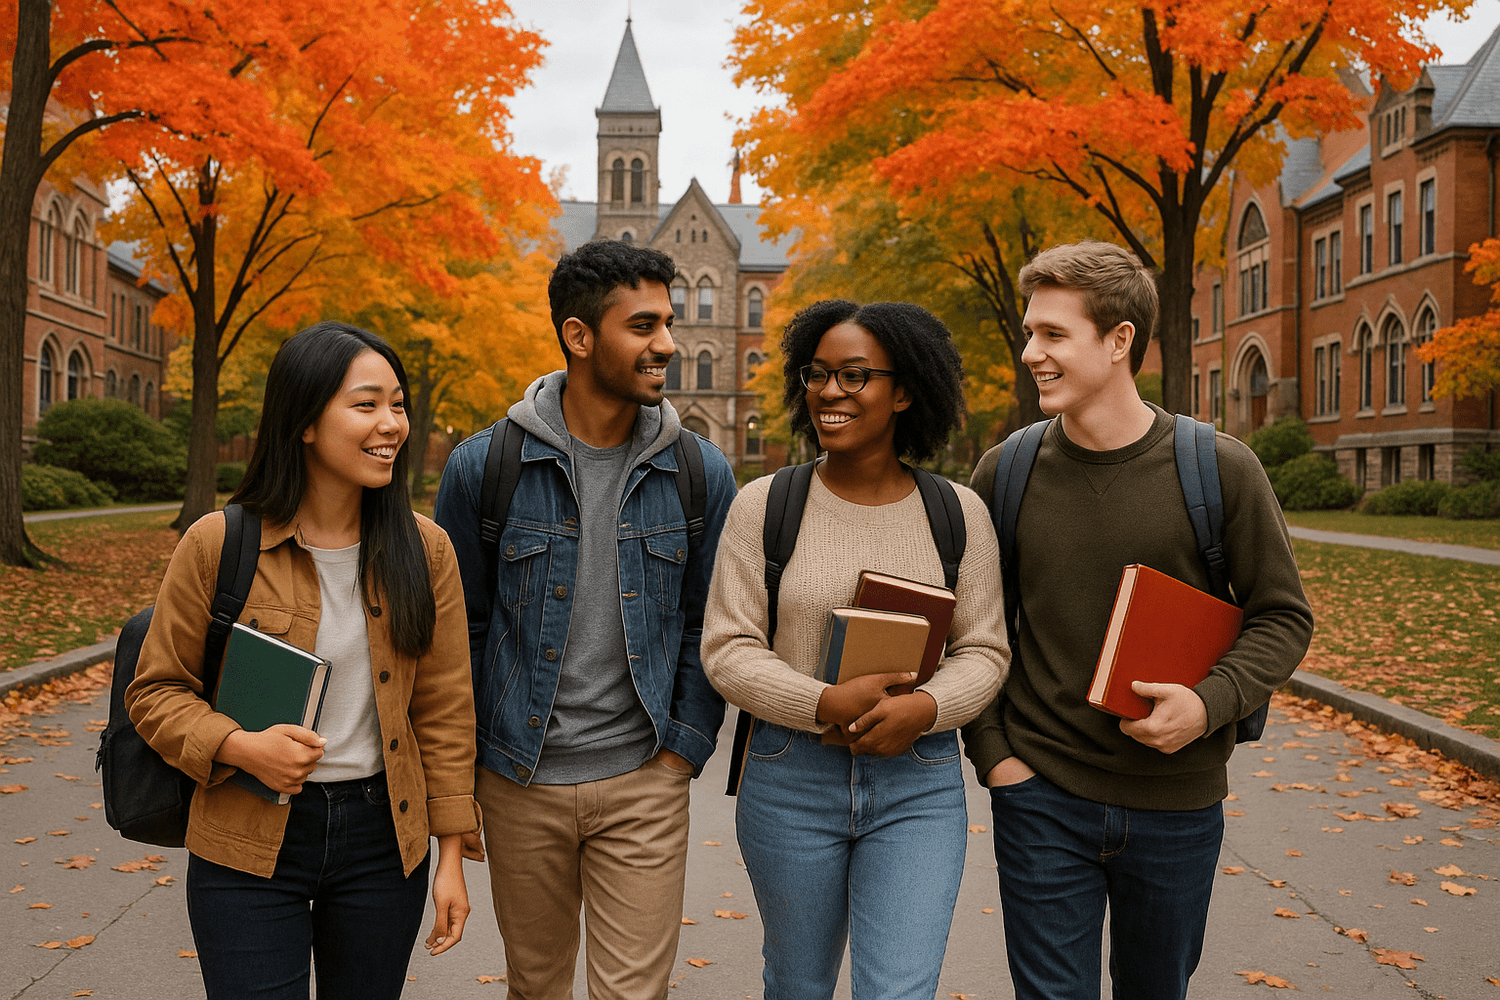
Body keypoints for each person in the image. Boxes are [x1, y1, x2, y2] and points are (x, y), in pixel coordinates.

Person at [963, 241, 1315, 1000]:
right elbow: (975, 630)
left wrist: (1209, 702)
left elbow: (1282, 618)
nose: (1031, 353)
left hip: (1178, 804)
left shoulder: (1218, 468)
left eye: (1053, 335)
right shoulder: (1006, 472)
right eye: (1031, 333)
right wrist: (996, 757)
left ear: (1119, 340)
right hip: (1041, 794)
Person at [127, 321, 479, 1000]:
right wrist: (240, 745)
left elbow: (445, 711)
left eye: (398, 405)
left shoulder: (426, 550)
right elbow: (156, 690)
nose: (391, 424)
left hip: (384, 840)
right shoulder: (216, 543)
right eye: (366, 404)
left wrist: (453, 857)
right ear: (305, 422)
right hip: (246, 834)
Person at [433, 240, 736, 1000]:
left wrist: (680, 756)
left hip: (644, 780)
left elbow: (708, 624)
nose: (668, 342)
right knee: (536, 988)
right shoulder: (483, 467)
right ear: (578, 336)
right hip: (517, 780)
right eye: (643, 326)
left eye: (668, 322)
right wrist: (462, 783)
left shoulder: (700, 473)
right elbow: (458, 634)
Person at [701, 300, 1008, 1000]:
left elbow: (985, 650)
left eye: (854, 376)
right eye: (817, 374)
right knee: (798, 984)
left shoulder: (959, 514)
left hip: (918, 784)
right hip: (789, 777)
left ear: (904, 391)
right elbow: (728, 646)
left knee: (899, 990)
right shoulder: (765, 505)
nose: (829, 392)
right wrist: (820, 702)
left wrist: (927, 708)